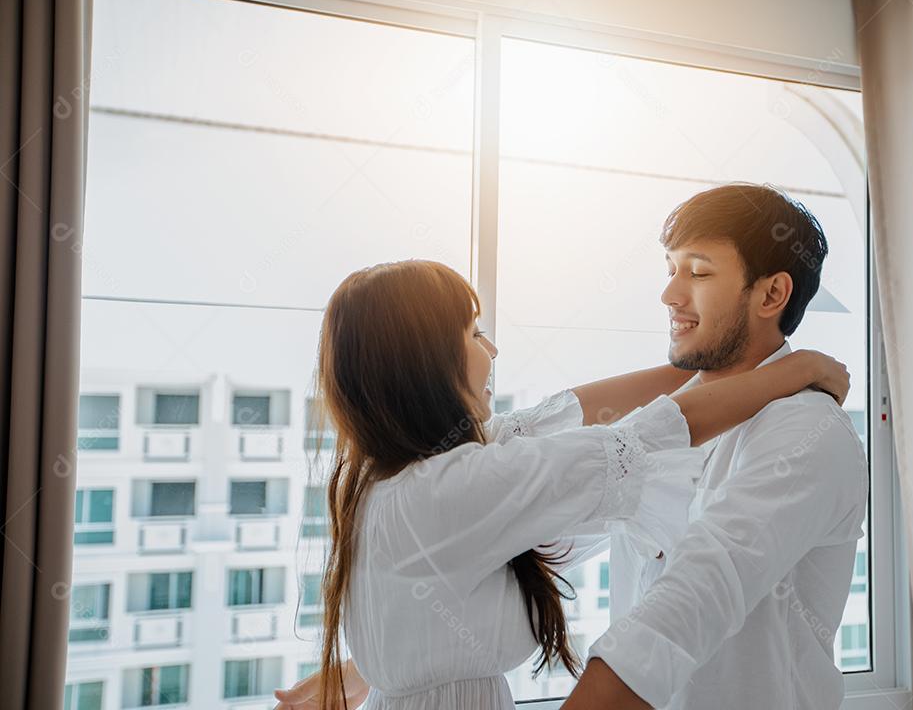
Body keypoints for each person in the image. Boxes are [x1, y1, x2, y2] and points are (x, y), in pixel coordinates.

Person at [272, 258, 849, 710]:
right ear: (421, 362)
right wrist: (796, 369)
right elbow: (650, 434)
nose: (491, 349)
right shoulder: (457, 483)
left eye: (696, 272)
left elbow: (564, 412)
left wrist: (714, 362)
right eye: (473, 334)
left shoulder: (392, 473)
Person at [562, 183, 870, 710]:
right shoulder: (659, 428)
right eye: (671, 270)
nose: (670, 295)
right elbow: (558, 533)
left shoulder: (805, 433)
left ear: (771, 294)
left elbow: (696, 596)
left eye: (699, 272)